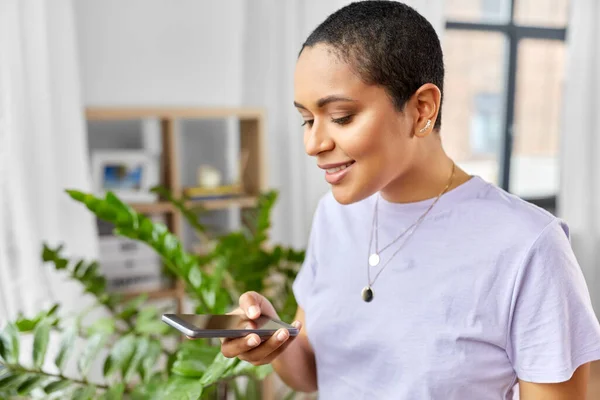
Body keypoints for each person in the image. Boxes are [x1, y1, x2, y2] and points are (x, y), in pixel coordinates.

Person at [220, 1, 600, 398]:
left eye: (341, 116)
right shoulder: (333, 217)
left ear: (422, 109)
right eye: (307, 119)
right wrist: (271, 340)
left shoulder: (529, 245)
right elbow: (314, 374)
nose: (314, 143)